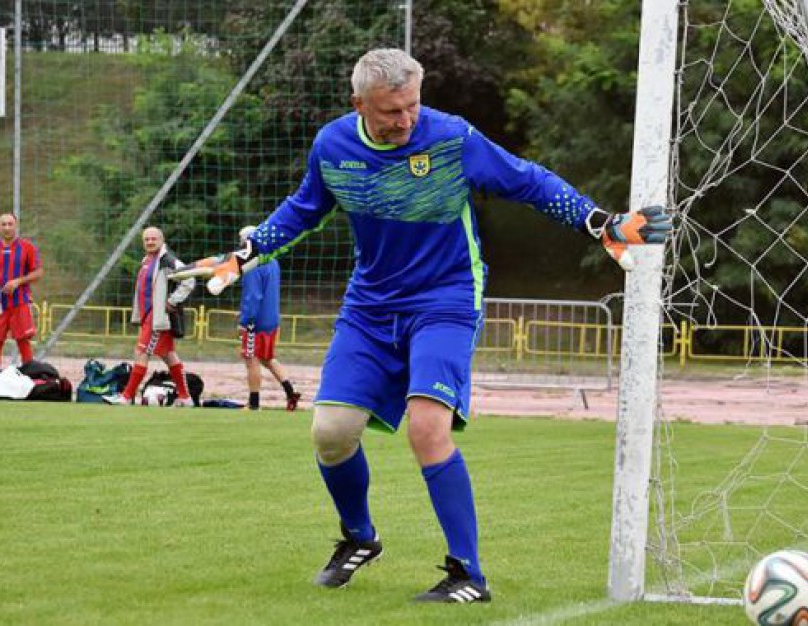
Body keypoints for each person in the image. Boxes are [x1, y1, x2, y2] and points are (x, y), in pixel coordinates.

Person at [170, 48, 669, 602]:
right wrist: (246, 252)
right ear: (358, 103)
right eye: (390, 112)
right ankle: (359, 538)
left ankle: (468, 574)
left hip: (446, 299)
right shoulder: (333, 146)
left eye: (411, 106)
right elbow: (304, 209)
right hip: (370, 306)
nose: (405, 120)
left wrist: (596, 222)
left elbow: (525, 180)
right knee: (330, 434)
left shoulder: (452, 138)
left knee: (426, 428)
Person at [104, 227, 196, 407]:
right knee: (168, 355)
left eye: (154, 239)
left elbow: (189, 279)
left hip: (158, 317)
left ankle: (126, 396)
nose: (150, 242)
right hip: (148, 316)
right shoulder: (147, 261)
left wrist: (173, 301)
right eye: (147, 239)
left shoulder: (168, 260)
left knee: (141, 352)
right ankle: (185, 398)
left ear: (161, 240)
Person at [236, 225, 302, 412]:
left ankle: (254, 403)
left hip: (255, 322)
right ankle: (291, 392)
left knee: (251, 359)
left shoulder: (252, 263)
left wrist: (245, 320)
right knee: (268, 358)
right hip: (271, 319)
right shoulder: (272, 261)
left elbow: (253, 295)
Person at [0, 213, 44, 367]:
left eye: (10, 224)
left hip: (20, 301)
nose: (7, 228)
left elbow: (38, 272)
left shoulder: (27, 248)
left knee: (23, 341)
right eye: (3, 224)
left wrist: (18, 281)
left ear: (15, 227)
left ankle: (30, 377)